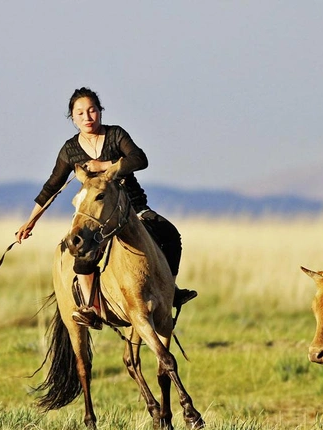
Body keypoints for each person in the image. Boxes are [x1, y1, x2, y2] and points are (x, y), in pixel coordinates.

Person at [16, 87, 196, 329]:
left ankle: (169, 290)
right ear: (72, 117)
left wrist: (105, 165)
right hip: (95, 216)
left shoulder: (115, 135)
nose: (87, 117)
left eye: (92, 111)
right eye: (80, 113)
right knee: (81, 250)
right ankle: (89, 308)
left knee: (170, 234)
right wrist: (31, 222)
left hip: (133, 209)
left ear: (100, 112)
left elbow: (140, 159)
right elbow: (51, 187)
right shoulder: (70, 150)